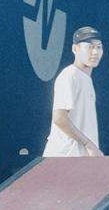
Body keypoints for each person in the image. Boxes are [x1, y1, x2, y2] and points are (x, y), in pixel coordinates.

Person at [43, 26, 104, 158]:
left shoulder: (86, 79)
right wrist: (88, 144)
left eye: (99, 47)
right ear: (75, 49)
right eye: (90, 46)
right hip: (64, 157)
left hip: (81, 158)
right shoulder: (70, 75)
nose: (95, 52)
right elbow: (59, 118)